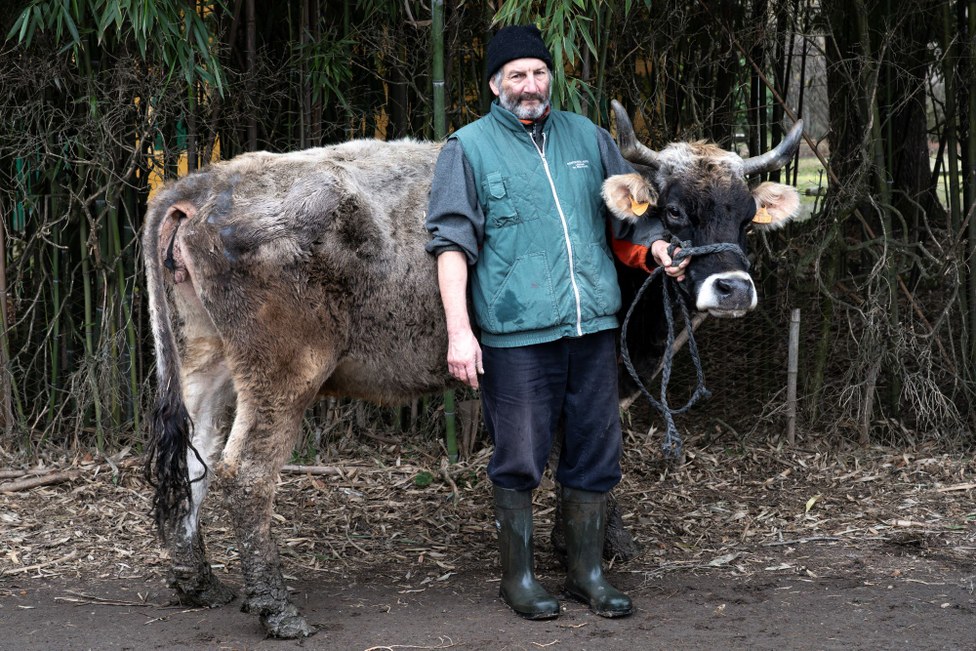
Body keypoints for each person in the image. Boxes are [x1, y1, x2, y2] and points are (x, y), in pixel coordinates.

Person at [425, 24, 688, 620]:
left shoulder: (589, 138)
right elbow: (451, 246)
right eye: (516, 74)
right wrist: (460, 333)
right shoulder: (465, 149)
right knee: (519, 457)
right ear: (494, 85)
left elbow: (628, 227)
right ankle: (517, 580)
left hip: (592, 328)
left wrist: (658, 252)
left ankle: (586, 573)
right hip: (516, 336)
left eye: (539, 72)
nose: (530, 84)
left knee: (596, 451)